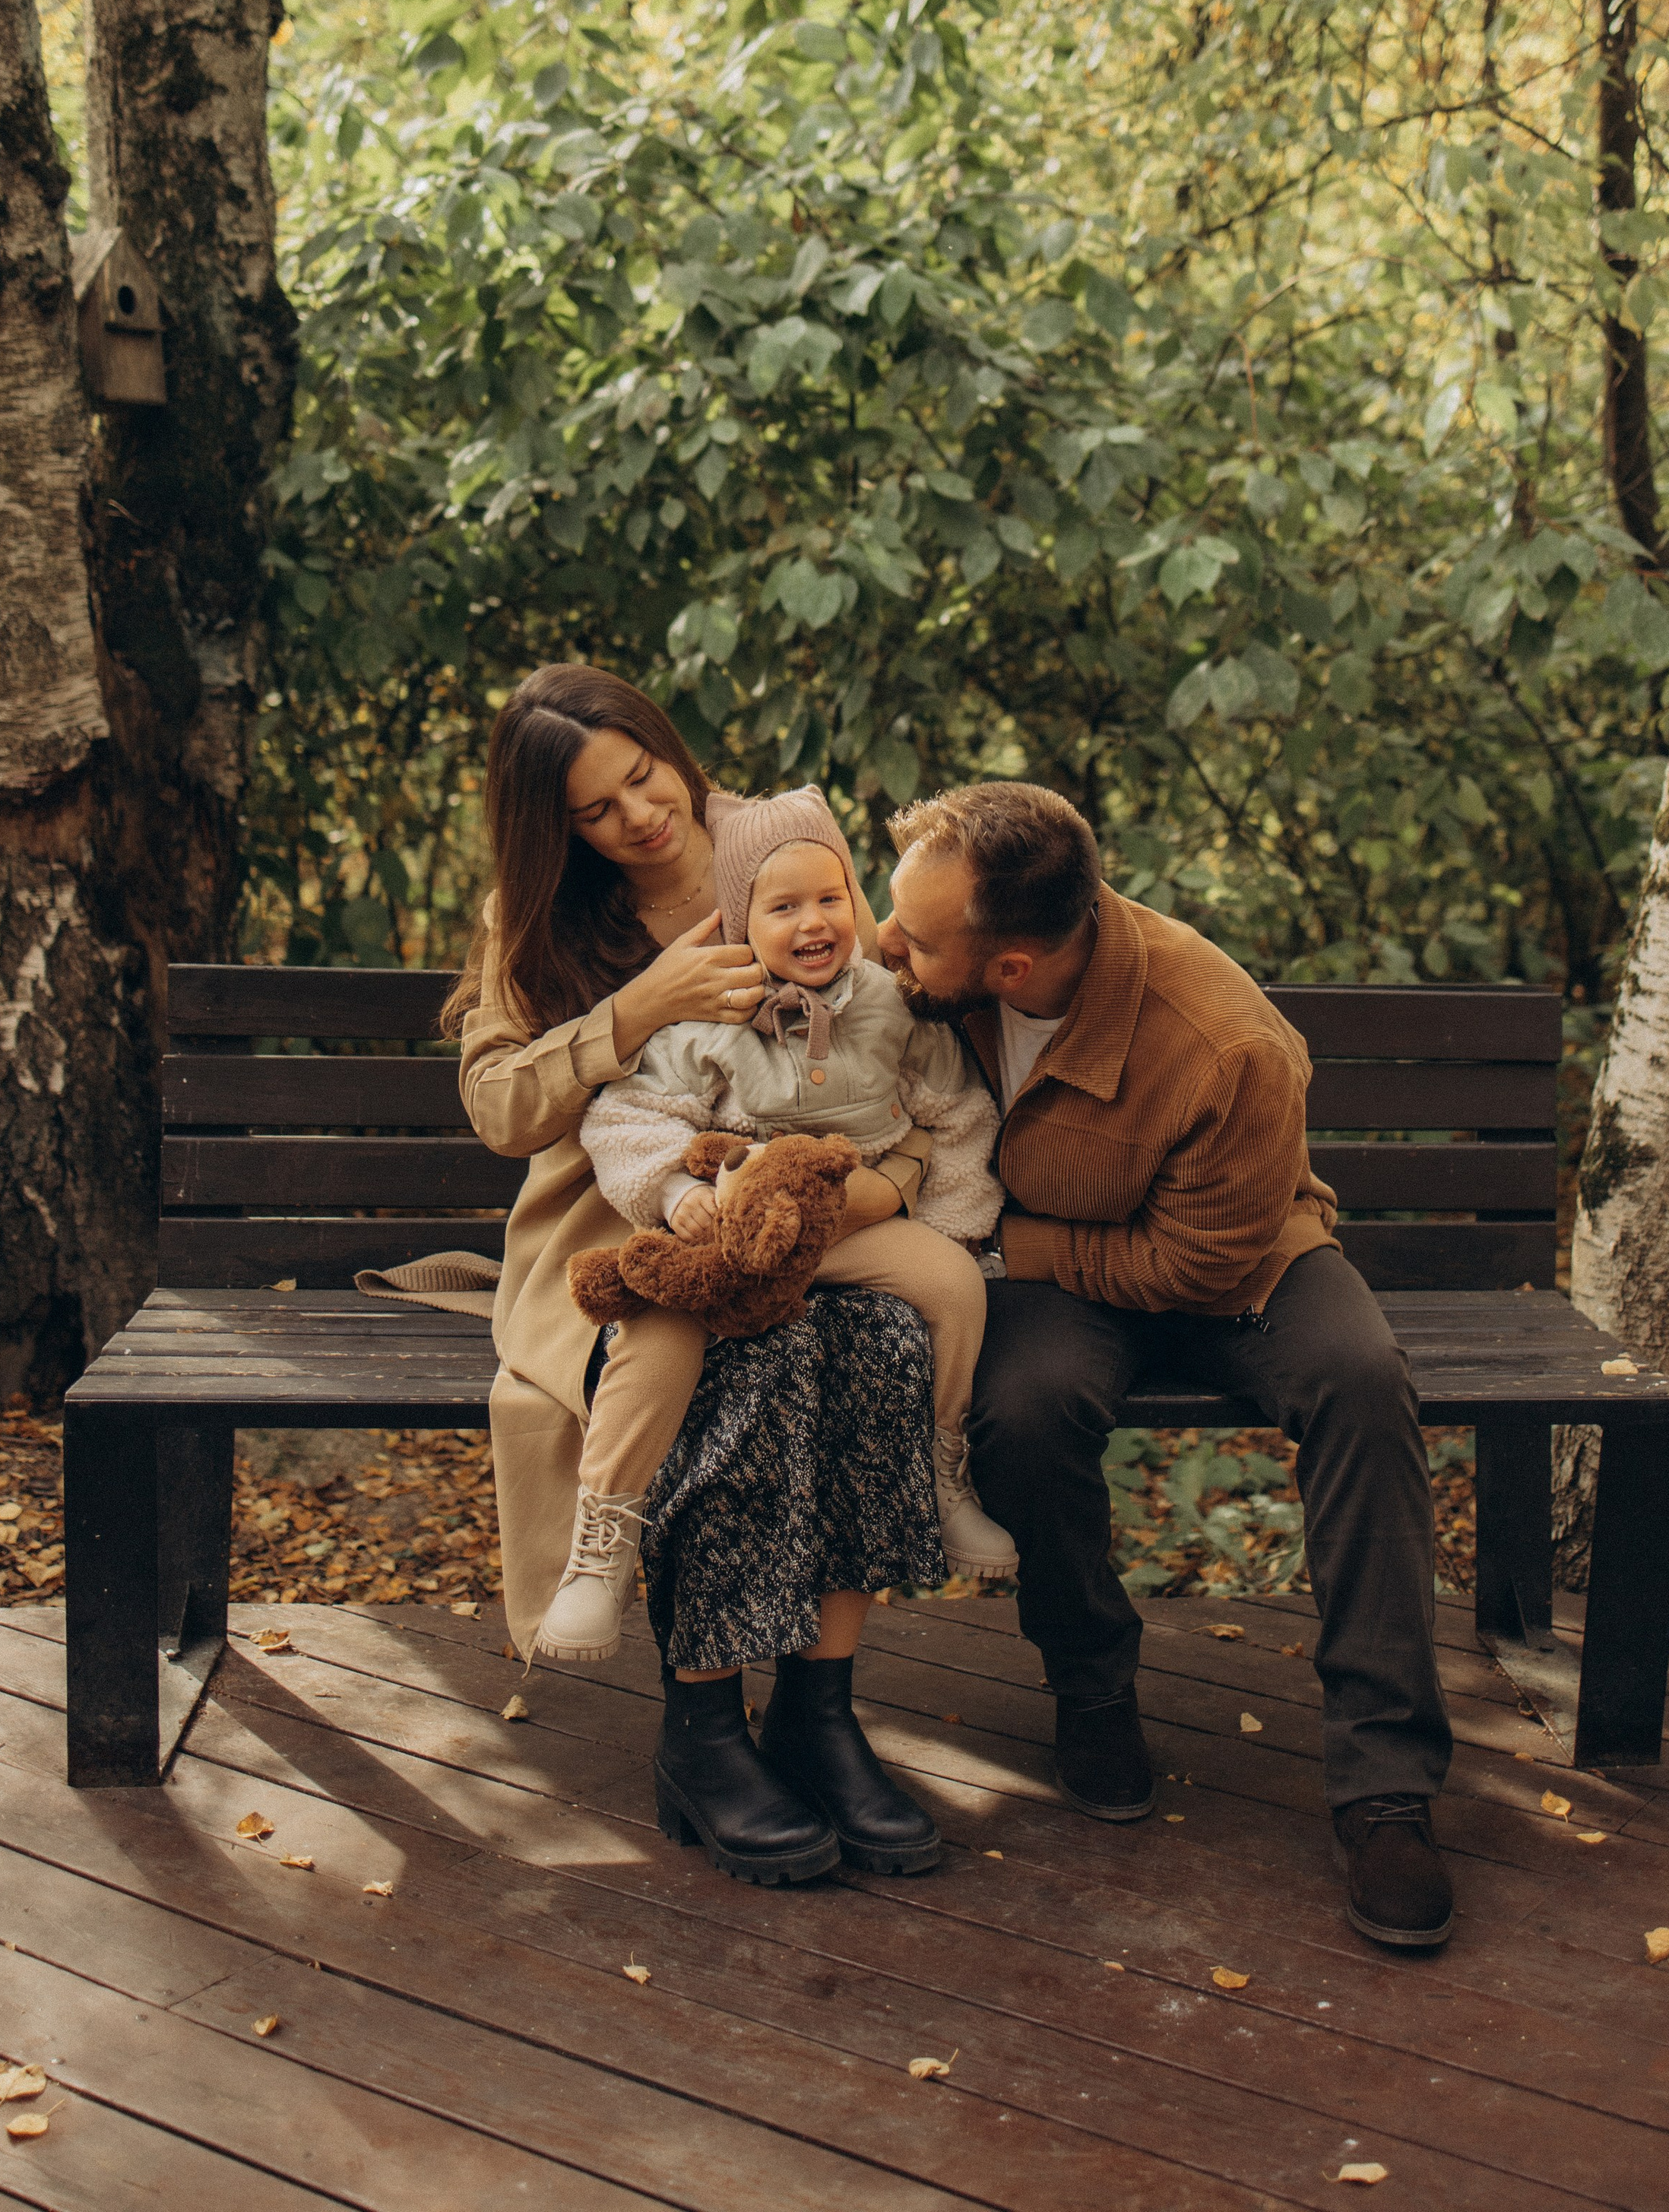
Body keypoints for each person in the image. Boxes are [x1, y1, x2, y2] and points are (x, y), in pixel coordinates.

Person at [878, 780, 1457, 1950]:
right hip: (1058, 1285)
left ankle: (1386, 1783)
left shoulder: (1222, 1041)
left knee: (1362, 1384)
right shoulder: (922, 986)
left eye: (917, 937)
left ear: (1015, 967)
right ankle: (1092, 1692)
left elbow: (1197, 1264)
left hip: (1231, 1258)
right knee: (1024, 1408)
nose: (886, 944)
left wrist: (1006, 1243)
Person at [413, 664, 944, 1884]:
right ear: (559, 829)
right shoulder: (540, 914)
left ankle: (819, 1712)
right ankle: (703, 1732)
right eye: (596, 812)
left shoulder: (780, 850)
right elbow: (498, 1106)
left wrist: (895, 1178)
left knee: (881, 1348)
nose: (639, 820)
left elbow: (902, 1030)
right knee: (751, 1356)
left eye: (644, 780)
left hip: (824, 1214)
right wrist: (634, 1011)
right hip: (631, 1230)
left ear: (669, 749)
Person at [543, 783, 1013, 1662]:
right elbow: (624, 1120)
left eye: (830, 898)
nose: (813, 922)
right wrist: (677, 1201)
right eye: (782, 905)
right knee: (657, 1328)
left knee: (951, 1288)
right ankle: (601, 1541)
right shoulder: (710, 1017)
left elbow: (958, 1116)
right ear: (740, 921)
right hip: (730, 1228)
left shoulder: (890, 1005)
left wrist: (949, 1221)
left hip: (849, 1224)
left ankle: (947, 1474)